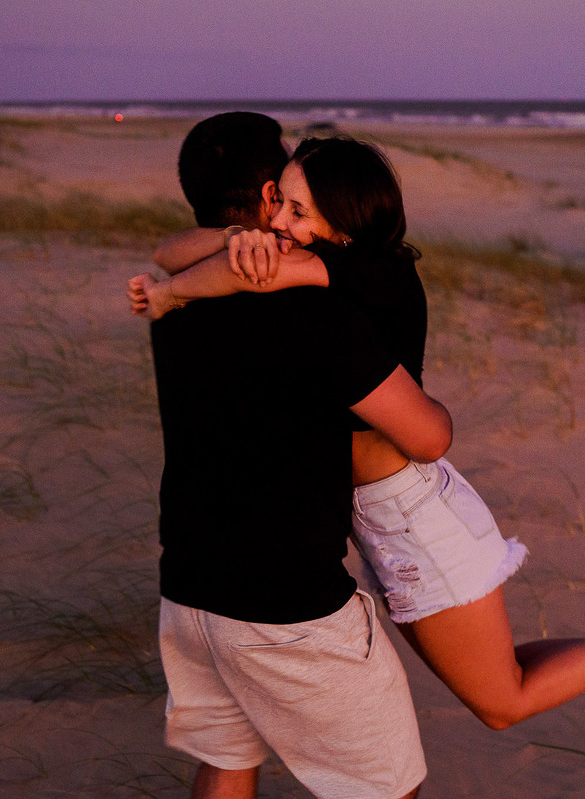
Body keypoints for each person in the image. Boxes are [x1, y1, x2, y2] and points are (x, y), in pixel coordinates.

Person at [130, 132, 585, 734]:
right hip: (374, 517)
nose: (280, 224)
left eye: (297, 211)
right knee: (498, 677)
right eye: (278, 206)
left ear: (341, 223)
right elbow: (173, 249)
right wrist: (229, 245)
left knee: (503, 703)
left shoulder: (356, 272)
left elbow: (218, 270)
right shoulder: (330, 260)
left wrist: (166, 294)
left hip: (411, 510)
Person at [140, 113, 444, 799]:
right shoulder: (318, 307)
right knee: (389, 786)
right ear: (269, 194)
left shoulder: (176, 309)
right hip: (287, 603)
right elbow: (426, 436)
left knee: (226, 760)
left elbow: (175, 261)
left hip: (189, 589)